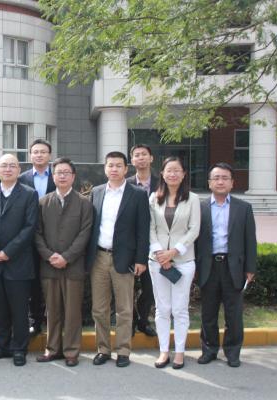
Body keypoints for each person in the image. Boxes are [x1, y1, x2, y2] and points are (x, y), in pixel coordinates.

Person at [85, 151, 150, 368]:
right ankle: (103, 349)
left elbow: (143, 230)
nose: (114, 169)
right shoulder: (96, 192)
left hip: (125, 259)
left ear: (125, 169)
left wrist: (141, 259)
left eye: (118, 165)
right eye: (110, 165)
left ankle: (123, 350)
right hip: (99, 257)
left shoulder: (137, 194)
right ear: (105, 168)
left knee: (124, 309)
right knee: (99, 309)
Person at [196, 162, 257, 368]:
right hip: (208, 266)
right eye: (216, 178)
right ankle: (209, 350)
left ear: (232, 183)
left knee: (234, 314)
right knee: (208, 313)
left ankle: (232, 352)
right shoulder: (200, 207)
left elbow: (250, 240)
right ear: (209, 183)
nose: (220, 182)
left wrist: (250, 268)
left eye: (225, 178)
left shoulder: (243, 208)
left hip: (234, 267)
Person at [34, 157, 93, 367]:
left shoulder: (84, 203)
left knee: (72, 312)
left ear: (73, 176)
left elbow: (85, 233)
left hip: (73, 266)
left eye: (66, 172)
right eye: (58, 172)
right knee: (52, 311)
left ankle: (71, 351)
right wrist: (49, 255)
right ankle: (52, 349)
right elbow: (37, 233)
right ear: (53, 176)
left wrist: (66, 257)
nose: (62, 176)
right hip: (49, 266)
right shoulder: (43, 202)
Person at [0, 154, 38, 367]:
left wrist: (8, 252)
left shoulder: (29, 194)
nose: (7, 169)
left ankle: (19, 348)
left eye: (12, 166)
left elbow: (30, 227)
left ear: (19, 170)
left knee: (19, 309)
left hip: (18, 262)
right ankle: (2, 346)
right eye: (3, 166)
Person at [148, 157, 200, 369]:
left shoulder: (193, 199)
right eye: (169, 170)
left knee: (179, 309)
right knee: (162, 308)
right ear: (162, 173)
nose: (173, 174)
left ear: (184, 174)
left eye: (177, 170)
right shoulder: (154, 197)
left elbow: (194, 229)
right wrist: (160, 253)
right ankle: (163, 351)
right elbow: (150, 227)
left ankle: (179, 352)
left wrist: (174, 252)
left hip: (183, 261)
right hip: (157, 261)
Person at [19, 138, 56, 337]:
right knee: (32, 282)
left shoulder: (58, 176)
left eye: (43, 152)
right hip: (29, 238)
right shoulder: (22, 178)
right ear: (30, 155)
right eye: (35, 152)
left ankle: (55, 320)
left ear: (49, 155)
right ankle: (34, 320)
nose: (39, 155)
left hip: (54, 237)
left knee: (53, 281)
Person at [127, 144, 159, 337]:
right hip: (131, 243)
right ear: (132, 160)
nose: (140, 158)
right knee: (127, 287)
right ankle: (130, 321)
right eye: (137, 155)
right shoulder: (126, 184)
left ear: (151, 158)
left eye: (144, 154)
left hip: (155, 243)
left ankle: (143, 320)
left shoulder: (162, 183)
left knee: (150, 287)